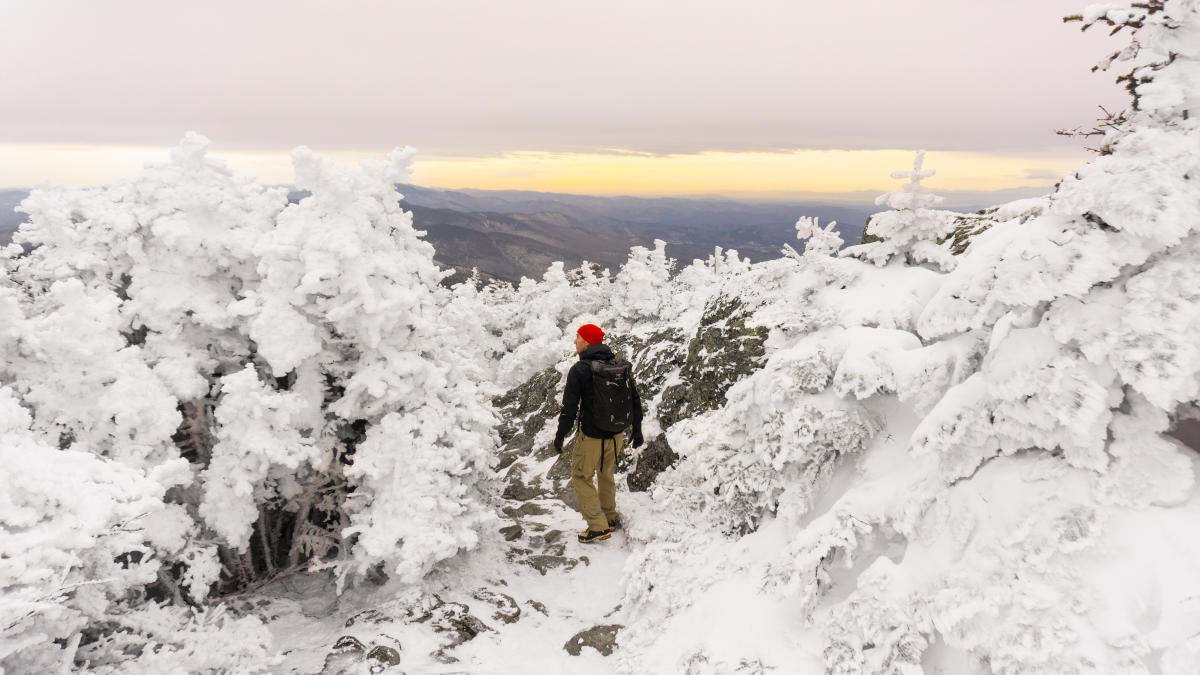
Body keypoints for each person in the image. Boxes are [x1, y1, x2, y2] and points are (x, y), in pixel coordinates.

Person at [554, 323, 644, 543]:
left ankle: (597, 526)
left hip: (591, 437)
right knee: (606, 474)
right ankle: (609, 517)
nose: (575, 341)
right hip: (616, 435)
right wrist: (637, 430)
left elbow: (569, 407)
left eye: (578, 337)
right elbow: (634, 398)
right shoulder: (617, 365)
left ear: (587, 341)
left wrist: (560, 435)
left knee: (581, 476)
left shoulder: (580, 369)